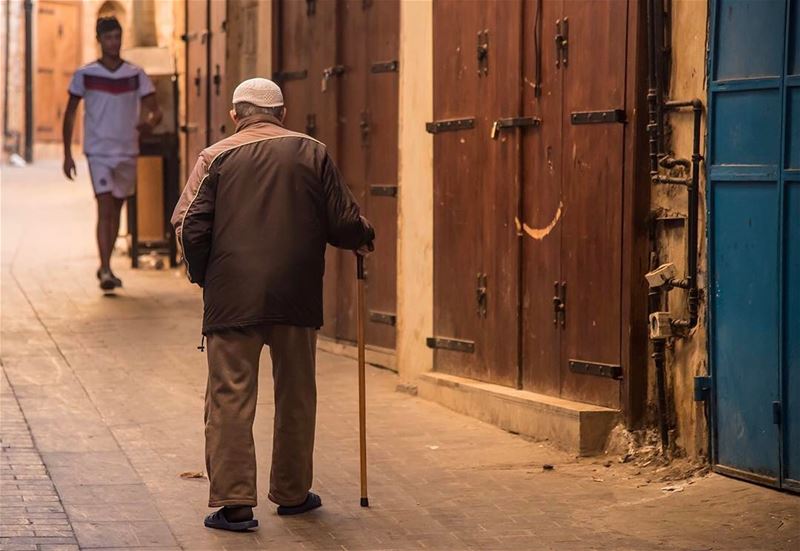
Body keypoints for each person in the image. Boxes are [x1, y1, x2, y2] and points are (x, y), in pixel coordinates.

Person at [171, 78, 374, 532]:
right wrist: (363, 237)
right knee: (297, 395)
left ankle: (235, 503)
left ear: (235, 114)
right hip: (296, 295)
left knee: (230, 397)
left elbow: (187, 225)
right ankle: (293, 492)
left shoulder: (214, 156)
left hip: (231, 299)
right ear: (282, 113)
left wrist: (206, 275)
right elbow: (343, 220)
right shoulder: (313, 151)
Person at [62, 16, 162, 291]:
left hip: (127, 150)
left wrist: (148, 124)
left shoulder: (135, 74)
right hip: (98, 151)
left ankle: (106, 266)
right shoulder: (85, 74)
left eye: (117, 37)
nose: (114, 43)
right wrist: (67, 153)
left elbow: (156, 110)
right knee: (104, 206)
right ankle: (105, 268)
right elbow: (70, 113)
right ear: (99, 40)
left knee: (117, 207)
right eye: (108, 38)